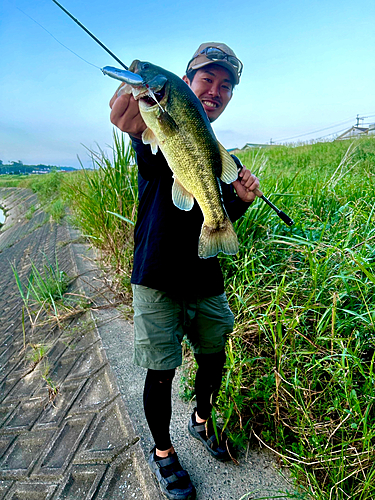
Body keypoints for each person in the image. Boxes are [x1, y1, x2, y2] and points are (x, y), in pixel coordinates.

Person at [109, 42, 260, 500]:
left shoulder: (217, 154)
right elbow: (134, 126)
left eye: (225, 85)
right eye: (206, 80)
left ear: (229, 95)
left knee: (214, 353)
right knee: (160, 371)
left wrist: (241, 200)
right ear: (186, 84)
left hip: (204, 275)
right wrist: (134, 115)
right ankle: (161, 452)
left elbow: (214, 209)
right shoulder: (158, 126)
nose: (215, 90)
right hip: (155, 274)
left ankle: (200, 419)